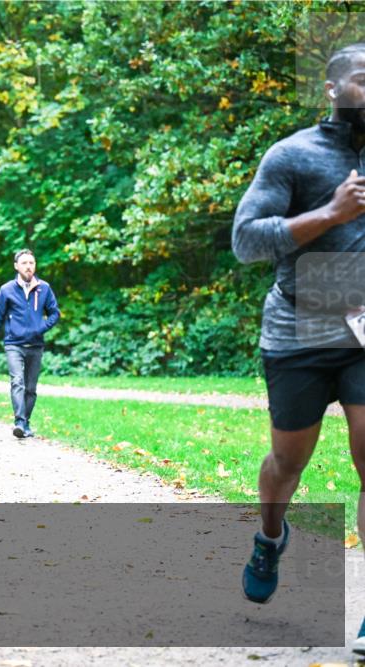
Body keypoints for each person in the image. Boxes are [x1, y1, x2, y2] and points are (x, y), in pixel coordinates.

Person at [232, 43, 364, 653]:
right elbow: (247, 241)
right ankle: (269, 535)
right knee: (288, 464)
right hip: (299, 328)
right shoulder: (292, 155)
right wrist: (329, 214)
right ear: (333, 91)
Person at [0, 249, 61, 439]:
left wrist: (41, 327)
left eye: (31, 263)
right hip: (14, 344)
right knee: (17, 381)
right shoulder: (7, 290)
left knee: (31, 388)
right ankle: (19, 421)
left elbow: (55, 313)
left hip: (35, 345)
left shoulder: (44, 288)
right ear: (16, 266)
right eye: (25, 263)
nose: (28, 266)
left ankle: (26, 422)